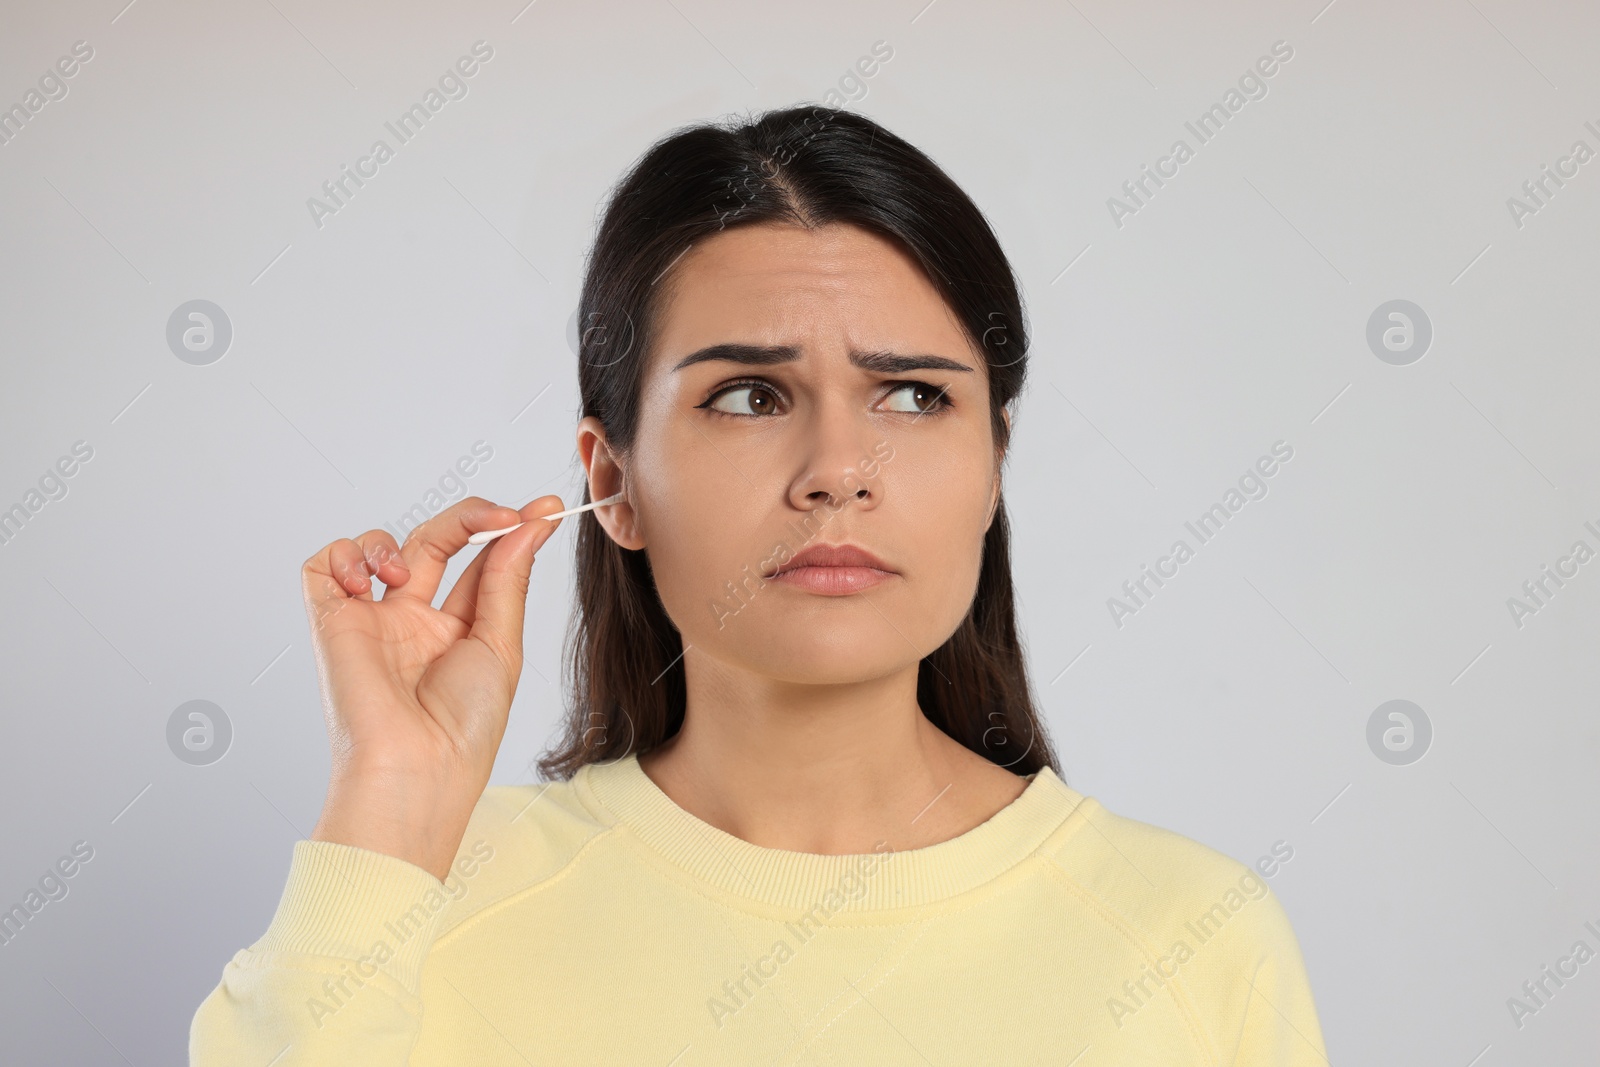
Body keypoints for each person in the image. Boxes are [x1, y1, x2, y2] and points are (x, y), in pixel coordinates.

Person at [190, 104, 1329, 1065]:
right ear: (612, 481)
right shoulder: (413, 894)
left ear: (993, 466)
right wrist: (388, 793)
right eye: (747, 396)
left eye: (914, 397)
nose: (838, 470)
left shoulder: (1193, 936)